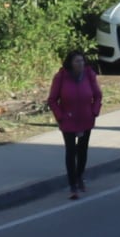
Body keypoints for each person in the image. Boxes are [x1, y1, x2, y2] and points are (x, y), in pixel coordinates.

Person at [45, 50, 101, 198]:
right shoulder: (61, 77)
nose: (80, 64)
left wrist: (94, 111)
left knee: (82, 150)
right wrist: (60, 116)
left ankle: (80, 176)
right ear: (70, 63)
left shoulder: (89, 75)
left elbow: (97, 95)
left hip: (85, 117)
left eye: (82, 61)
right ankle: (72, 185)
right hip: (68, 119)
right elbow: (52, 99)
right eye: (77, 61)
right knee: (71, 151)